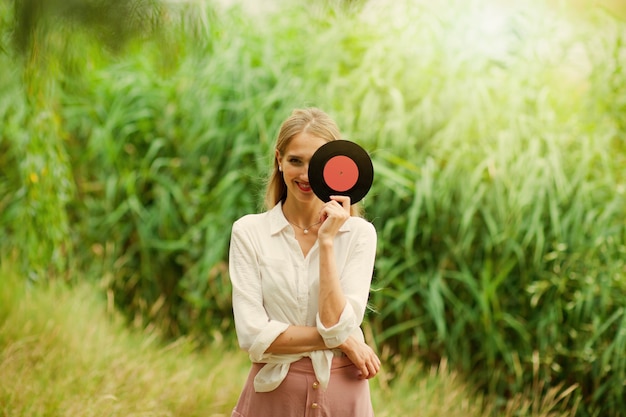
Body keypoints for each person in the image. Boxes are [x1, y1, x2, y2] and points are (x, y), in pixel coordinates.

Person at [228, 107, 381, 417]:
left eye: (317, 164)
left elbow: (337, 321)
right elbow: (251, 334)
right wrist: (345, 341)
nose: (306, 175)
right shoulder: (249, 232)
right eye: (296, 161)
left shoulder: (358, 235)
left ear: (335, 167)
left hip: (343, 394)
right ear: (279, 160)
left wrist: (326, 242)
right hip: (272, 399)